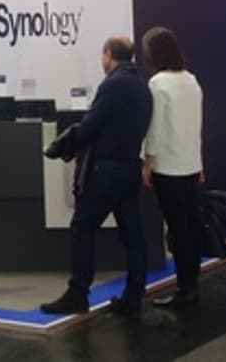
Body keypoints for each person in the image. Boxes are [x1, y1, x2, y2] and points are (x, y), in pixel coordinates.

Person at [39, 36, 153, 316]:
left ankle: (77, 294)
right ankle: (134, 295)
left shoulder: (113, 84)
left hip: (105, 172)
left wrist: (62, 146)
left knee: (82, 228)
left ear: (108, 54)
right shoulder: (141, 85)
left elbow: (91, 125)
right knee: (132, 234)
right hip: (129, 168)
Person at [140, 26, 204, 308]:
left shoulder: (158, 84)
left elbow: (154, 129)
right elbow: (197, 125)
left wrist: (148, 161)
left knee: (177, 229)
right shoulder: (191, 80)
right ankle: (191, 283)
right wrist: (200, 161)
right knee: (190, 226)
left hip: (168, 166)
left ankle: (185, 287)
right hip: (190, 162)